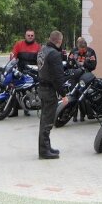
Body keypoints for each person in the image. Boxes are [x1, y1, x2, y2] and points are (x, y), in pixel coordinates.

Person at [37, 30, 68, 159]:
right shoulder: (54, 54)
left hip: (42, 87)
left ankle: (46, 146)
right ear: (59, 41)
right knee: (48, 122)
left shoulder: (42, 50)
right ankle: (44, 151)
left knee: (44, 120)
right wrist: (63, 94)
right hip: (49, 90)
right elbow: (58, 77)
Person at [9, 28, 41, 116]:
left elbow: (40, 60)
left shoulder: (38, 46)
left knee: (29, 91)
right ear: (25, 36)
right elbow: (13, 56)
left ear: (34, 36)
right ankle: (14, 111)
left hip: (32, 72)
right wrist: (12, 61)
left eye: (32, 35)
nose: (30, 37)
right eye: (28, 35)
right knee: (15, 89)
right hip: (20, 70)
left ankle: (27, 108)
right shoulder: (19, 44)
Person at [67, 37, 97, 122]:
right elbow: (69, 63)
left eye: (84, 50)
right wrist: (72, 64)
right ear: (77, 46)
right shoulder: (73, 51)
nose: (82, 51)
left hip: (85, 77)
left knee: (83, 96)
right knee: (74, 95)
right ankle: (74, 115)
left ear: (86, 47)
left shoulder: (91, 52)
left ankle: (83, 115)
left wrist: (85, 63)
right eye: (80, 49)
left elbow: (93, 66)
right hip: (74, 76)